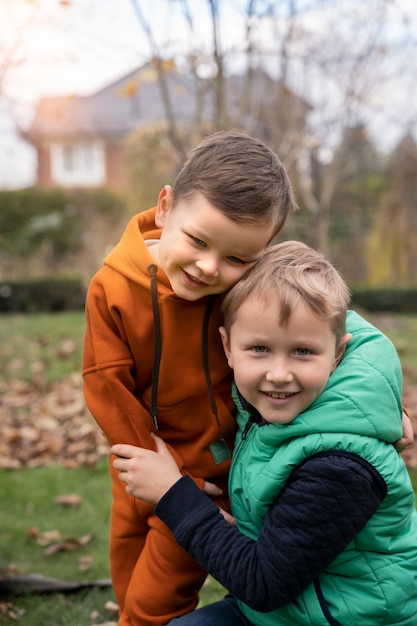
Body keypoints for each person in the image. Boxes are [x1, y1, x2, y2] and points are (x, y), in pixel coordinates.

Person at [112, 241, 417, 626]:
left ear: (338, 355)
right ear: (227, 347)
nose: (278, 373)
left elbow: (263, 585)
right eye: (259, 348)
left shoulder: (340, 466)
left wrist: (173, 494)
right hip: (287, 610)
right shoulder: (266, 408)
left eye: (303, 352)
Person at [82, 130, 296, 626]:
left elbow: (338, 335)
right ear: (165, 207)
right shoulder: (112, 288)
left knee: (155, 602)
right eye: (197, 241)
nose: (208, 267)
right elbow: (106, 384)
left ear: (262, 252)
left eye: (237, 258)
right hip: (143, 461)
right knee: (130, 577)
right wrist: (156, 471)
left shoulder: (254, 288)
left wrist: (388, 405)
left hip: (212, 478)